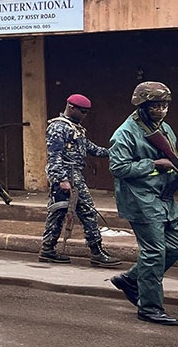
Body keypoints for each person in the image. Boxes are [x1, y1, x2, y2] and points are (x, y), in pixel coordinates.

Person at [108, 81, 178, 326]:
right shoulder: (125, 133)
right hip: (141, 200)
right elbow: (118, 167)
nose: (161, 109)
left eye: (164, 105)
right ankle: (149, 307)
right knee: (154, 252)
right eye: (155, 105)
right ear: (142, 106)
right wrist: (154, 165)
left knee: (174, 245)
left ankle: (131, 279)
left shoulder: (164, 129)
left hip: (164, 198)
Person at [38, 94, 119, 267]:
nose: (84, 115)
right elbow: (55, 156)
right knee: (88, 211)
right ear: (71, 107)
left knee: (58, 212)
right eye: (82, 111)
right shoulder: (58, 127)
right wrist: (62, 179)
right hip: (68, 175)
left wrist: (114, 152)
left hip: (73, 174)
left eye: (86, 112)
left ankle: (47, 250)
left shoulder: (75, 128)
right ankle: (96, 252)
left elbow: (91, 148)